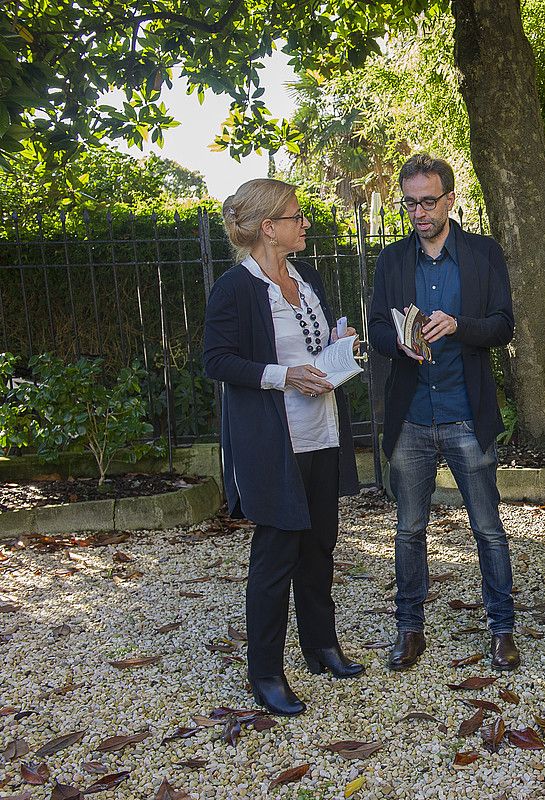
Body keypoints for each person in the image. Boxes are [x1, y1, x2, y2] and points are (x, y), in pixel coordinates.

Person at [203, 178, 363, 717]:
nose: (305, 224)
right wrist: (283, 375)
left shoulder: (306, 276)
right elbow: (217, 361)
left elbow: (311, 345)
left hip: (322, 433)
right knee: (276, 557)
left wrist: (337, 348)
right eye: (297, 216)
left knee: (319, 547)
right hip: (275, 443)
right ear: (268, 227)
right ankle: (266, 673)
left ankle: (322, 646)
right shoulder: (235, 289)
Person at [367, 154, 520, 672]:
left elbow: (503, 326)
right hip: (410, 416)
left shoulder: (482, 254)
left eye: (428, 201)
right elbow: (376, 331)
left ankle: (502, 630)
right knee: (408, 530)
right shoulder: (391, 261)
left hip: (466, 415)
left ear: (450, 199)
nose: (418, 212)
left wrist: (458, 326)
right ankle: (409, 630)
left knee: (488, 529)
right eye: (409, 203)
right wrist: (402, 343)